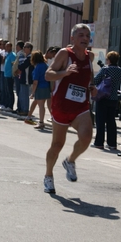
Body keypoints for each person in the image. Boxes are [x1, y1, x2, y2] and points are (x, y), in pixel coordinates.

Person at [43, 23, 96, 193]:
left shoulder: (90, 56)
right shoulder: (65, 54)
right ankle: (48, 175)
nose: (85, 39)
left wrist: (92, 86)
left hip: (81, 106)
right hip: (61, 106)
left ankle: (70, 160)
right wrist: (64, 73)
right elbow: (48, 74)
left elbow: (89, 75)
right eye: (81, 35)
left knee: (87, 137)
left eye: (87, 36)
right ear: (72, 38)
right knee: (58, 144)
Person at [91, 51, 121, 150]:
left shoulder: (105, 70)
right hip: (113, 98)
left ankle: (99, 142)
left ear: (109, 60)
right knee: (111, 121)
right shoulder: (120, 71)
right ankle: (112, 143)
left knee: (100, 121)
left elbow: (95, 81)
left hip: (103, 97)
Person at [25, 50, 50, 129]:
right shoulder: (45, 65)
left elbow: (35, 81)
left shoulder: (38, 67)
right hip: (46, 86)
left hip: (40, 87)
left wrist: (32, 92)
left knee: (41, 105)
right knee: (36, 102)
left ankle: (41, 122)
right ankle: (28, 116)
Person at [17, 42, 34, 116]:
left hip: (26, 78)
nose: (23, 48)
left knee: (24, 95)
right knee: (21, 94)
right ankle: (22, 109)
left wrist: (20, 64)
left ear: (29, 48)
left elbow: (21, 66)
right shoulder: (25, 57)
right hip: (22, 77)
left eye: (25, 47)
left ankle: (25, 110)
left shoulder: (30, 57)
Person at [12, 41, 25, 114]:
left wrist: (17, 72)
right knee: (18, 92)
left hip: (18, 76)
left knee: (19, 92)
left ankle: (20, 108)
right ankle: (18, 108)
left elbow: (21, 65)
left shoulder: (21, 54)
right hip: (16, 75)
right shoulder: (19, 54)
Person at [3, 42, 16, 111]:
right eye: (5, 47)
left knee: (10, 91)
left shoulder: (13, 55)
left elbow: (14, 66)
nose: (6, 48)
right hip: (6, 75)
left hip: (10, 75)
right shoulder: (7, 55)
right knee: (6, 91)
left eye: (7, 47)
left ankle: (10, 106)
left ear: (11, 47)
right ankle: (7, 104)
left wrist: (12, 75)